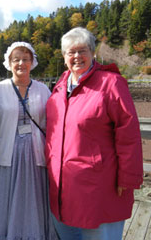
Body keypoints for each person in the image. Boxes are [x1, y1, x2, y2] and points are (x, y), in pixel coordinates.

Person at [45, 27, 143, 240]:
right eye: (71, 52)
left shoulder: (111, 83)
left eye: (83, 51)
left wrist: (127, 178)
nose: (77, 57)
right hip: (63, 185)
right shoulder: (60, 88)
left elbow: (129, 134)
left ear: (92, 53)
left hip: (100, 185)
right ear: (64, 58)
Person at [0, 42, 58, 240]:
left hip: (35, 152)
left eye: (25, 59)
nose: (21, 63)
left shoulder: (42, 89)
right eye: (16, 59)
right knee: (4, 197)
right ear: (9, 62)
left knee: (34, 198)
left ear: (32, 62)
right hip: (8, 152)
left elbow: (52, 122)